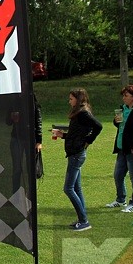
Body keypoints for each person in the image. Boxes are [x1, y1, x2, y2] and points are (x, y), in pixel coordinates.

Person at [52, 88, 102, 231]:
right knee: (76, 187)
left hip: (76, 154)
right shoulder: (79, 113)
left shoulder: (83, 113)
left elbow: (98, 126)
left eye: (71, 99)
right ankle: (82, 218)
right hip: (74, 153)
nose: (69, 101)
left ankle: (84, 221)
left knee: (68, 188)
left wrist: (89, 140)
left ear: (78, 99)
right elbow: (76, 134)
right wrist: (63, 135)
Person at [105, 85, 133, 213]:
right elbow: (121, 125)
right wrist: (116, 121)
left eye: (126, 95)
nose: (123, 98)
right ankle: (121, 200)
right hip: (123, 149)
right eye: (123, 95)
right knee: (118, 175)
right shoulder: (123, 109)